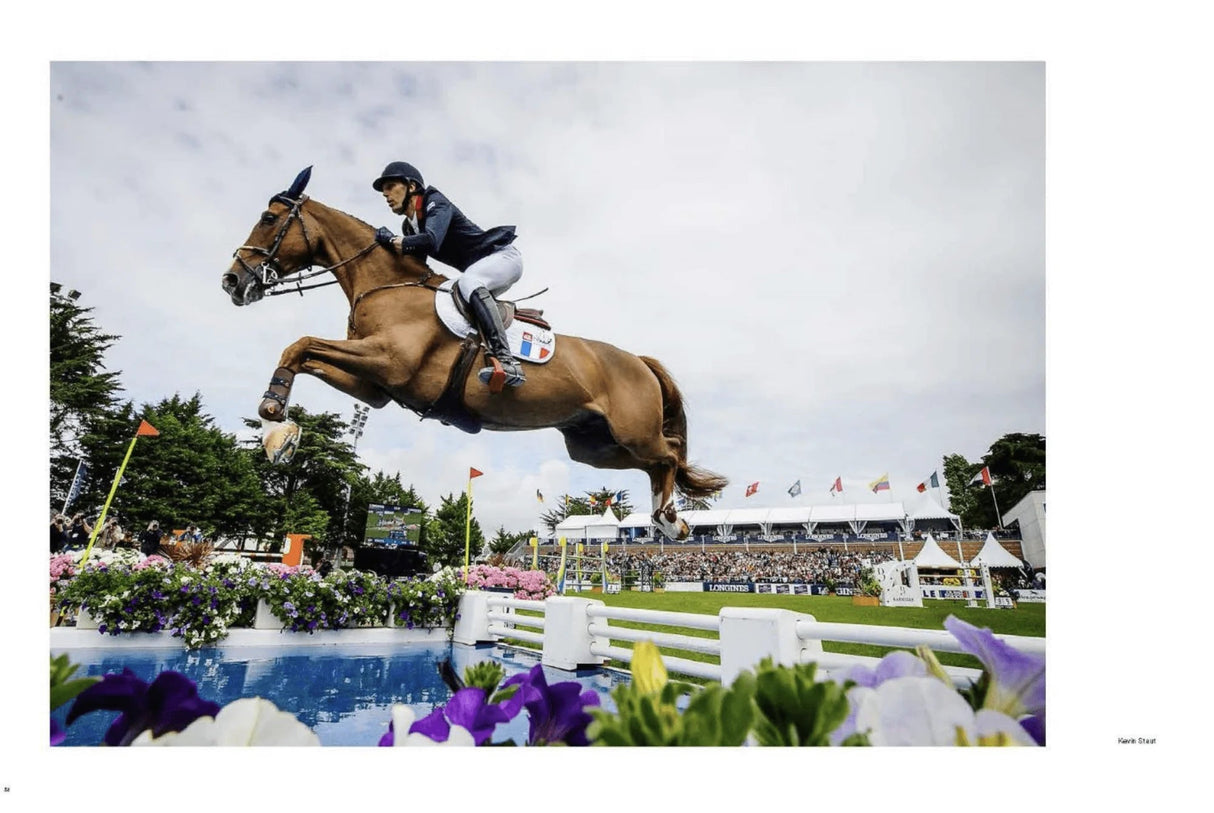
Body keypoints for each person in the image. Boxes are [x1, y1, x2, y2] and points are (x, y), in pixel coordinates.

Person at [371, 161, 526, 388]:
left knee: (467, 281)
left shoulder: (435, 201)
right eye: (384, 190)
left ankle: (507, 360)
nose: (385, 194)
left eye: (391, 186)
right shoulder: (409, 227)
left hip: (503, 258)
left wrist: (394, 240)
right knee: (454, 294)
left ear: (411, 187)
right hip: (483, 270)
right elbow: (417, 270)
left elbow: (431, 241)